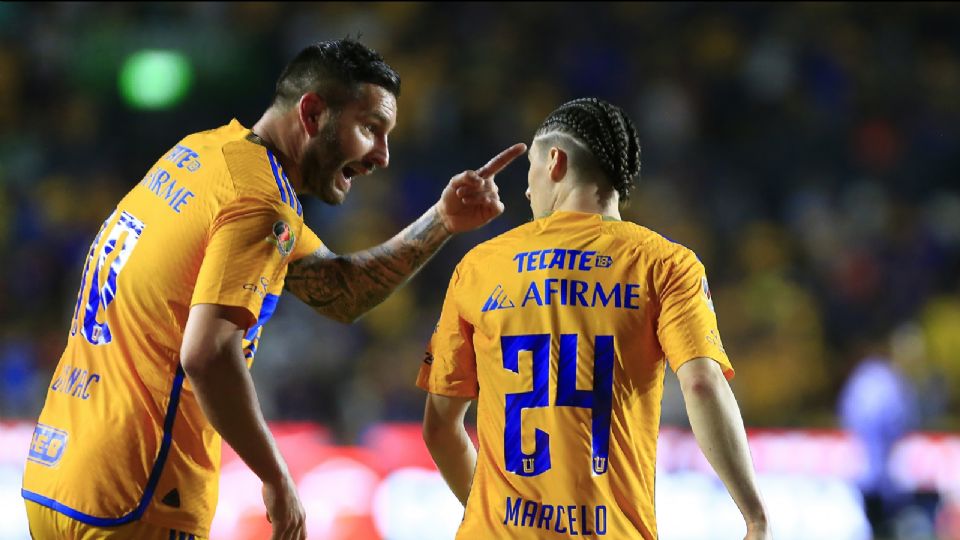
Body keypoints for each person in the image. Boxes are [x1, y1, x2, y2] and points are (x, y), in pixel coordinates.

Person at [21, 38, 526, 540]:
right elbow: (209, 354)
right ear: (312, 113)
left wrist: (442, 220)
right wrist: (275, 476)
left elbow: (340, 290)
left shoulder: (203, 154)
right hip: (137, 494)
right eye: (370, 129)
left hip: (60, 475)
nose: (383, 156)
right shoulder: (260, 202)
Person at [417, 97, 771, 539]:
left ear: (555, 162)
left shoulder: (480, 266)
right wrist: (754, 516)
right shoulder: (665, 263)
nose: (526, 192)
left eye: (529, 174)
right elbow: (702, 383)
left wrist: (493, 515)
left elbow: (440, 427)